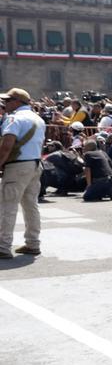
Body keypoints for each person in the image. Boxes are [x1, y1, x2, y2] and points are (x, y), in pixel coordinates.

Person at [0, 88, 46, 259]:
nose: (5, 104)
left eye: (8, 101)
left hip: (17, 166)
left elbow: (7, 145)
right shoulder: (38, 119)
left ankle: (3, 246)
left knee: (7, 206)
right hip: (34, 164)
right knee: (30, 205)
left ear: (17, 102)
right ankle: (33, 243)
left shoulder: (13, 119)